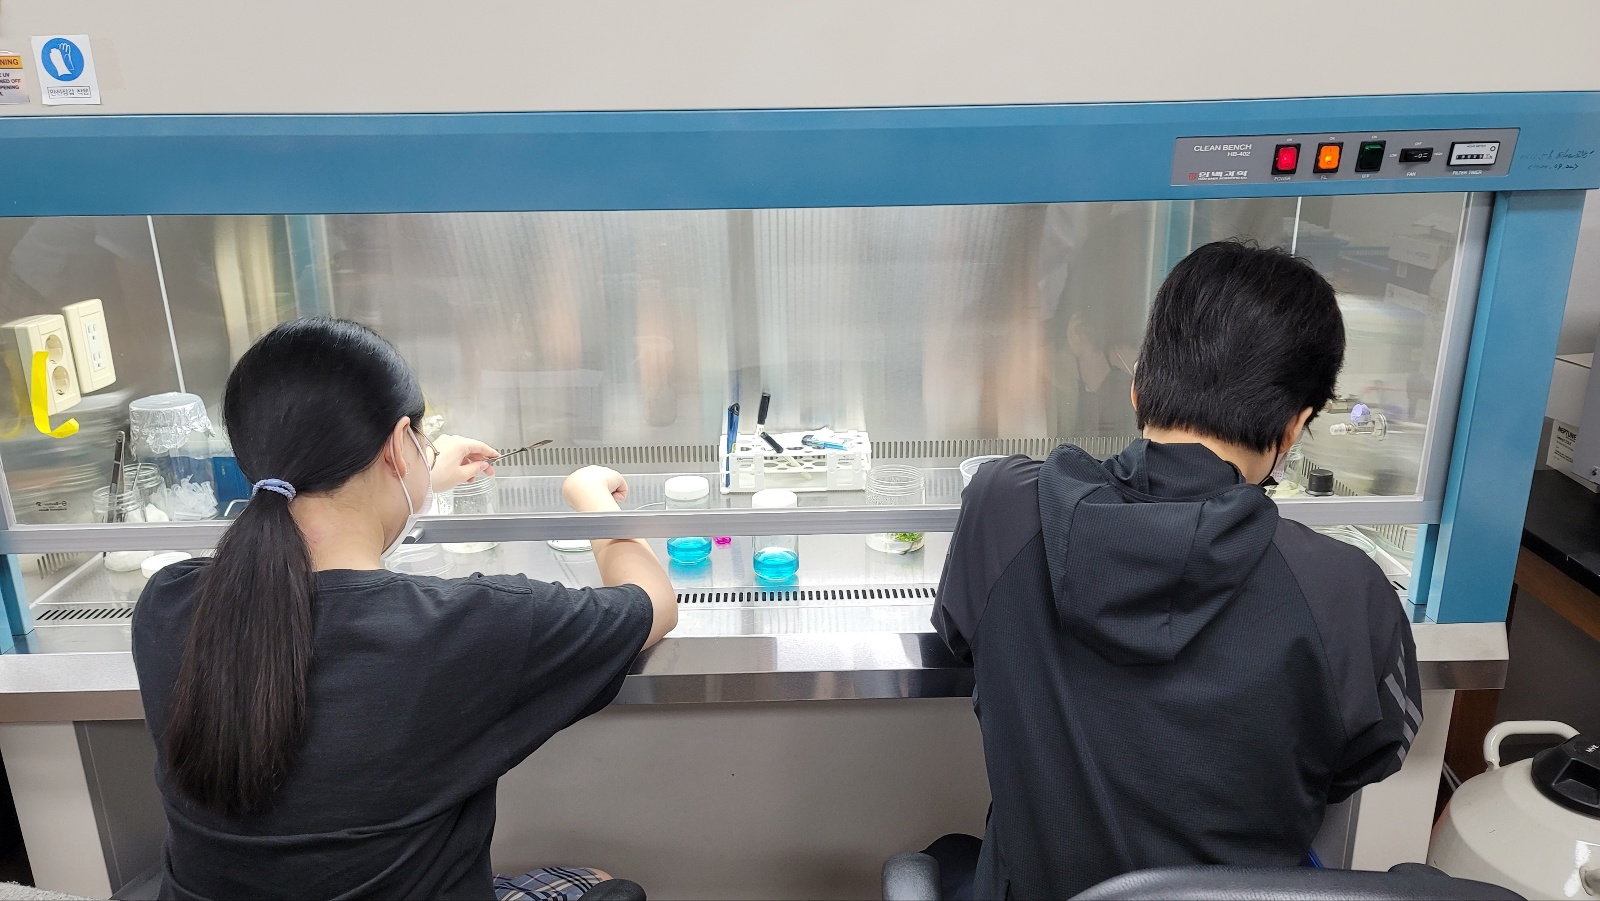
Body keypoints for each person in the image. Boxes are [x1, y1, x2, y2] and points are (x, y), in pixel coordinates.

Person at [929, 241, 1422, 900]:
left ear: (1138, 386)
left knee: (948, 857)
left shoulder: (1004, 511)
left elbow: (960, 638)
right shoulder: (1347, 591)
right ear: (1294, 427)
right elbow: (1366, 756)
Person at [131, 317, 677, 900]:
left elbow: (322, 552)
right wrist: (589, 494)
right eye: (419, 440)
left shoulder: (169, 604)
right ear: (397, 445)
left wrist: (416, 480)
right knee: (598, 885)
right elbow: (653, 603)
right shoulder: (467, 627)